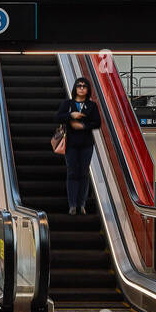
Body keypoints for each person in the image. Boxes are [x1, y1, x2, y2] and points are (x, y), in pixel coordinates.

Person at [56, 77, 101, 214]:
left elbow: (97, 123)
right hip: (70, 144)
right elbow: (57, 117)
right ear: (75, 88)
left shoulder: (92, 106)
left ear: (88, 90)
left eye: (84, 86)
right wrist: (71, 115)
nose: (81, 88)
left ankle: (82, 204)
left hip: (86, 144)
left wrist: (83, 126)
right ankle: (72, 205)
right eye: (79, 86)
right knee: (72, 172)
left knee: (84, 173)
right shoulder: (68, 104)